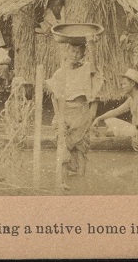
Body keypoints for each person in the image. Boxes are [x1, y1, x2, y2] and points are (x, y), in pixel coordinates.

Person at [45, 35, 104, 177]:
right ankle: (63, 181)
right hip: (64, 113)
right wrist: (59, 117)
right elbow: (55, 98)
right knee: (63, 148)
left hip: (80, 114)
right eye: (72, 51)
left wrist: (92, 47)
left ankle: (81, 182)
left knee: (80, 150)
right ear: (66, 51)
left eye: (78, 52)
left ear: (83, 54)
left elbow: (94, 68)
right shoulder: (60, 73)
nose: (75, 55)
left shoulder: (85, 69)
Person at [94, 68, 138, 150]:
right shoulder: (131, 99)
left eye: (124, 84)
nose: (122, 87)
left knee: (111, 129)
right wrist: (99, 118)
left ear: (133, 84)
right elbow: (116, 111)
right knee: (109, 120)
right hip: (136, 130)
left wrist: (134, 135)